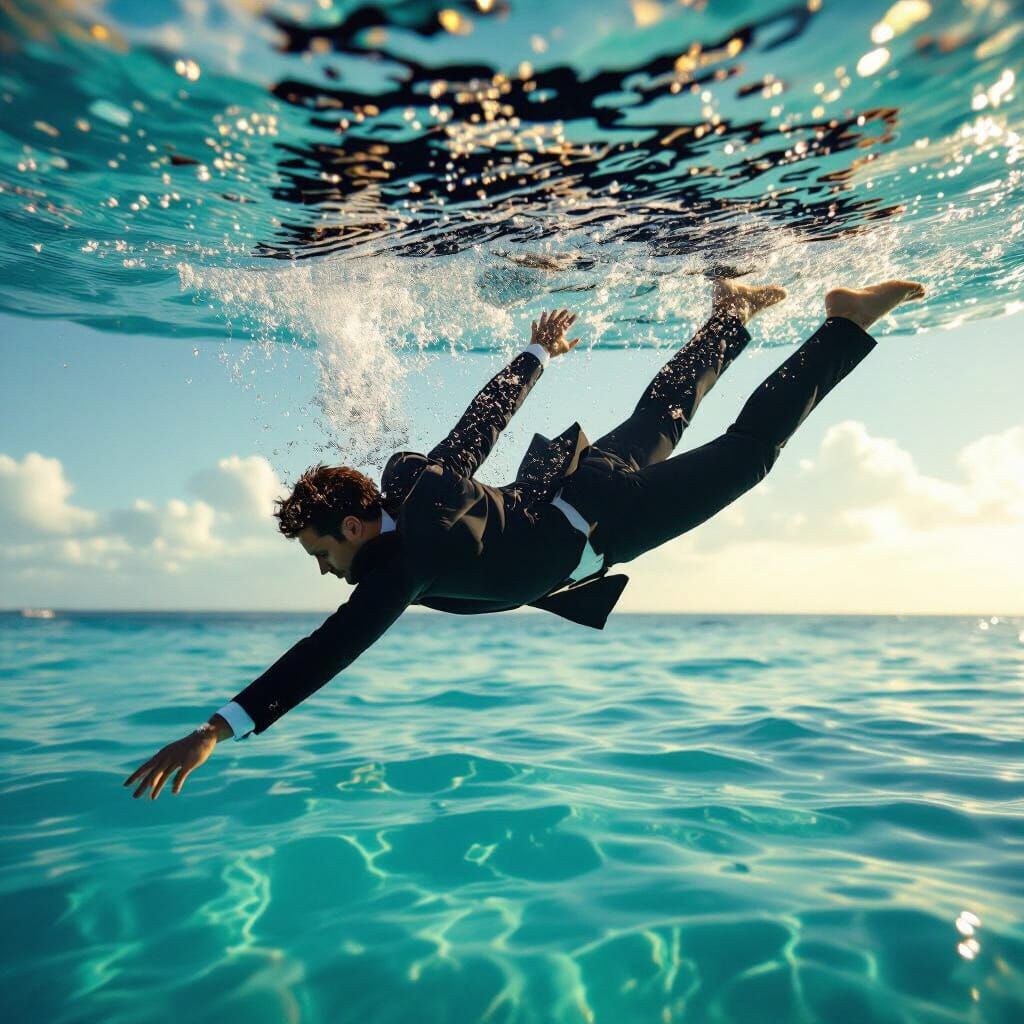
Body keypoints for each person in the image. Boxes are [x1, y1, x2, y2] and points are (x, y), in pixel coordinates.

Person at [125, 277, 925, 800]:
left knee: (747, 458)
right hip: (579, 489)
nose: (330, 573)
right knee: (661, 419)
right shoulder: (414, 491)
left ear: (353, 525)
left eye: (323, 554)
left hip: (608, 520)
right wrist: (536, 354)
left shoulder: (405, 562)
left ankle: (841, 326)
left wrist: (216, 728)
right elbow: (475, 431)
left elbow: (327, 649)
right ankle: (731, 313)